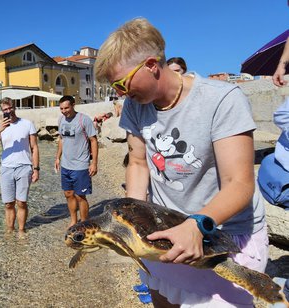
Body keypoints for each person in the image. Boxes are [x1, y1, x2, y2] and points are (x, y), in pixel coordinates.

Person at [94, 18, 267, 307]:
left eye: (122, 83)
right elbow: (137, 163)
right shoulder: (135, 108)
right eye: (115, 87)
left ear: (151, 65)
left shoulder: (222, 99)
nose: (121, 94)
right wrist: (132, 222)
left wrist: (195, 224)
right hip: (165, 232)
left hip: (224, 236)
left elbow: (240, 184)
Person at [0, 97, 40, 235]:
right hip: (6, 168)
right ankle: (10, 230)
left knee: (21, 202)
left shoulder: (27, 124)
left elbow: (34, 147)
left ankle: (22, 230)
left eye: (10, 108)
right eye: (5, 109)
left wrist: (36, 169)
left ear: (14, 107)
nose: (8, 111)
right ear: (2, 111)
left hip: (24, 167)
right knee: (8, 204)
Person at [54, 95, 98, 227]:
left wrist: (94, 163)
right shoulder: (61, 120)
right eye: (61, 108)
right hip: (65, 165)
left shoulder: (84, 120)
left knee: (80, 196)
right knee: (68, 194)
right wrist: (57, 157)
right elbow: (61, 139)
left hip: (81, 165)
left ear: (73, 105)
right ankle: (73, 221)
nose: (64, 111)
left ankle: (84, 222)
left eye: (66, 108)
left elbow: (93, 140)